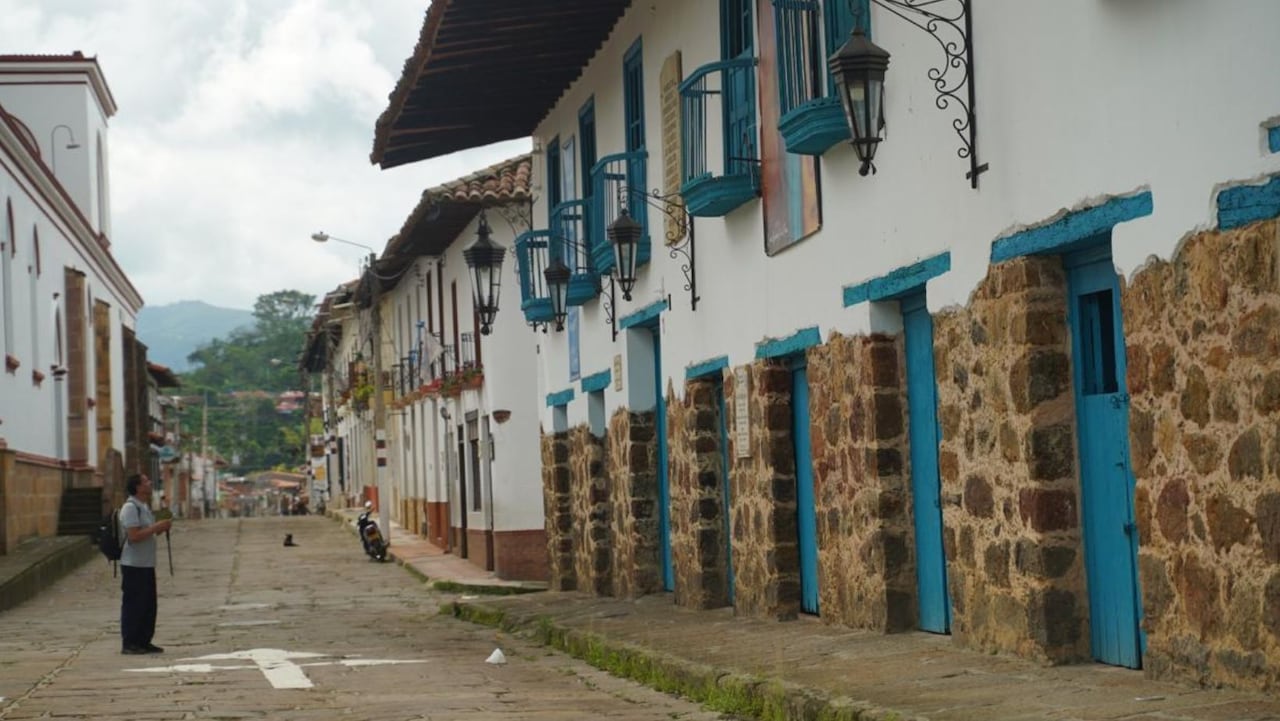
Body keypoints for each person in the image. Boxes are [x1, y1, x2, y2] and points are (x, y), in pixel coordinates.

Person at [119, 473, 172, 655]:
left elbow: (147, 533)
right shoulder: (130, 508)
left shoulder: (144, 507)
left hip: (146, 563)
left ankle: (144, 640)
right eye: (146, 481)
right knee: (134, 604)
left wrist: (161, 527)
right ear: (138, 487)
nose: (150, 483)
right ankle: (130, 642)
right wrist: (157, 527)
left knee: (148, 605)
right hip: (133, 564)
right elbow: (134, 536)